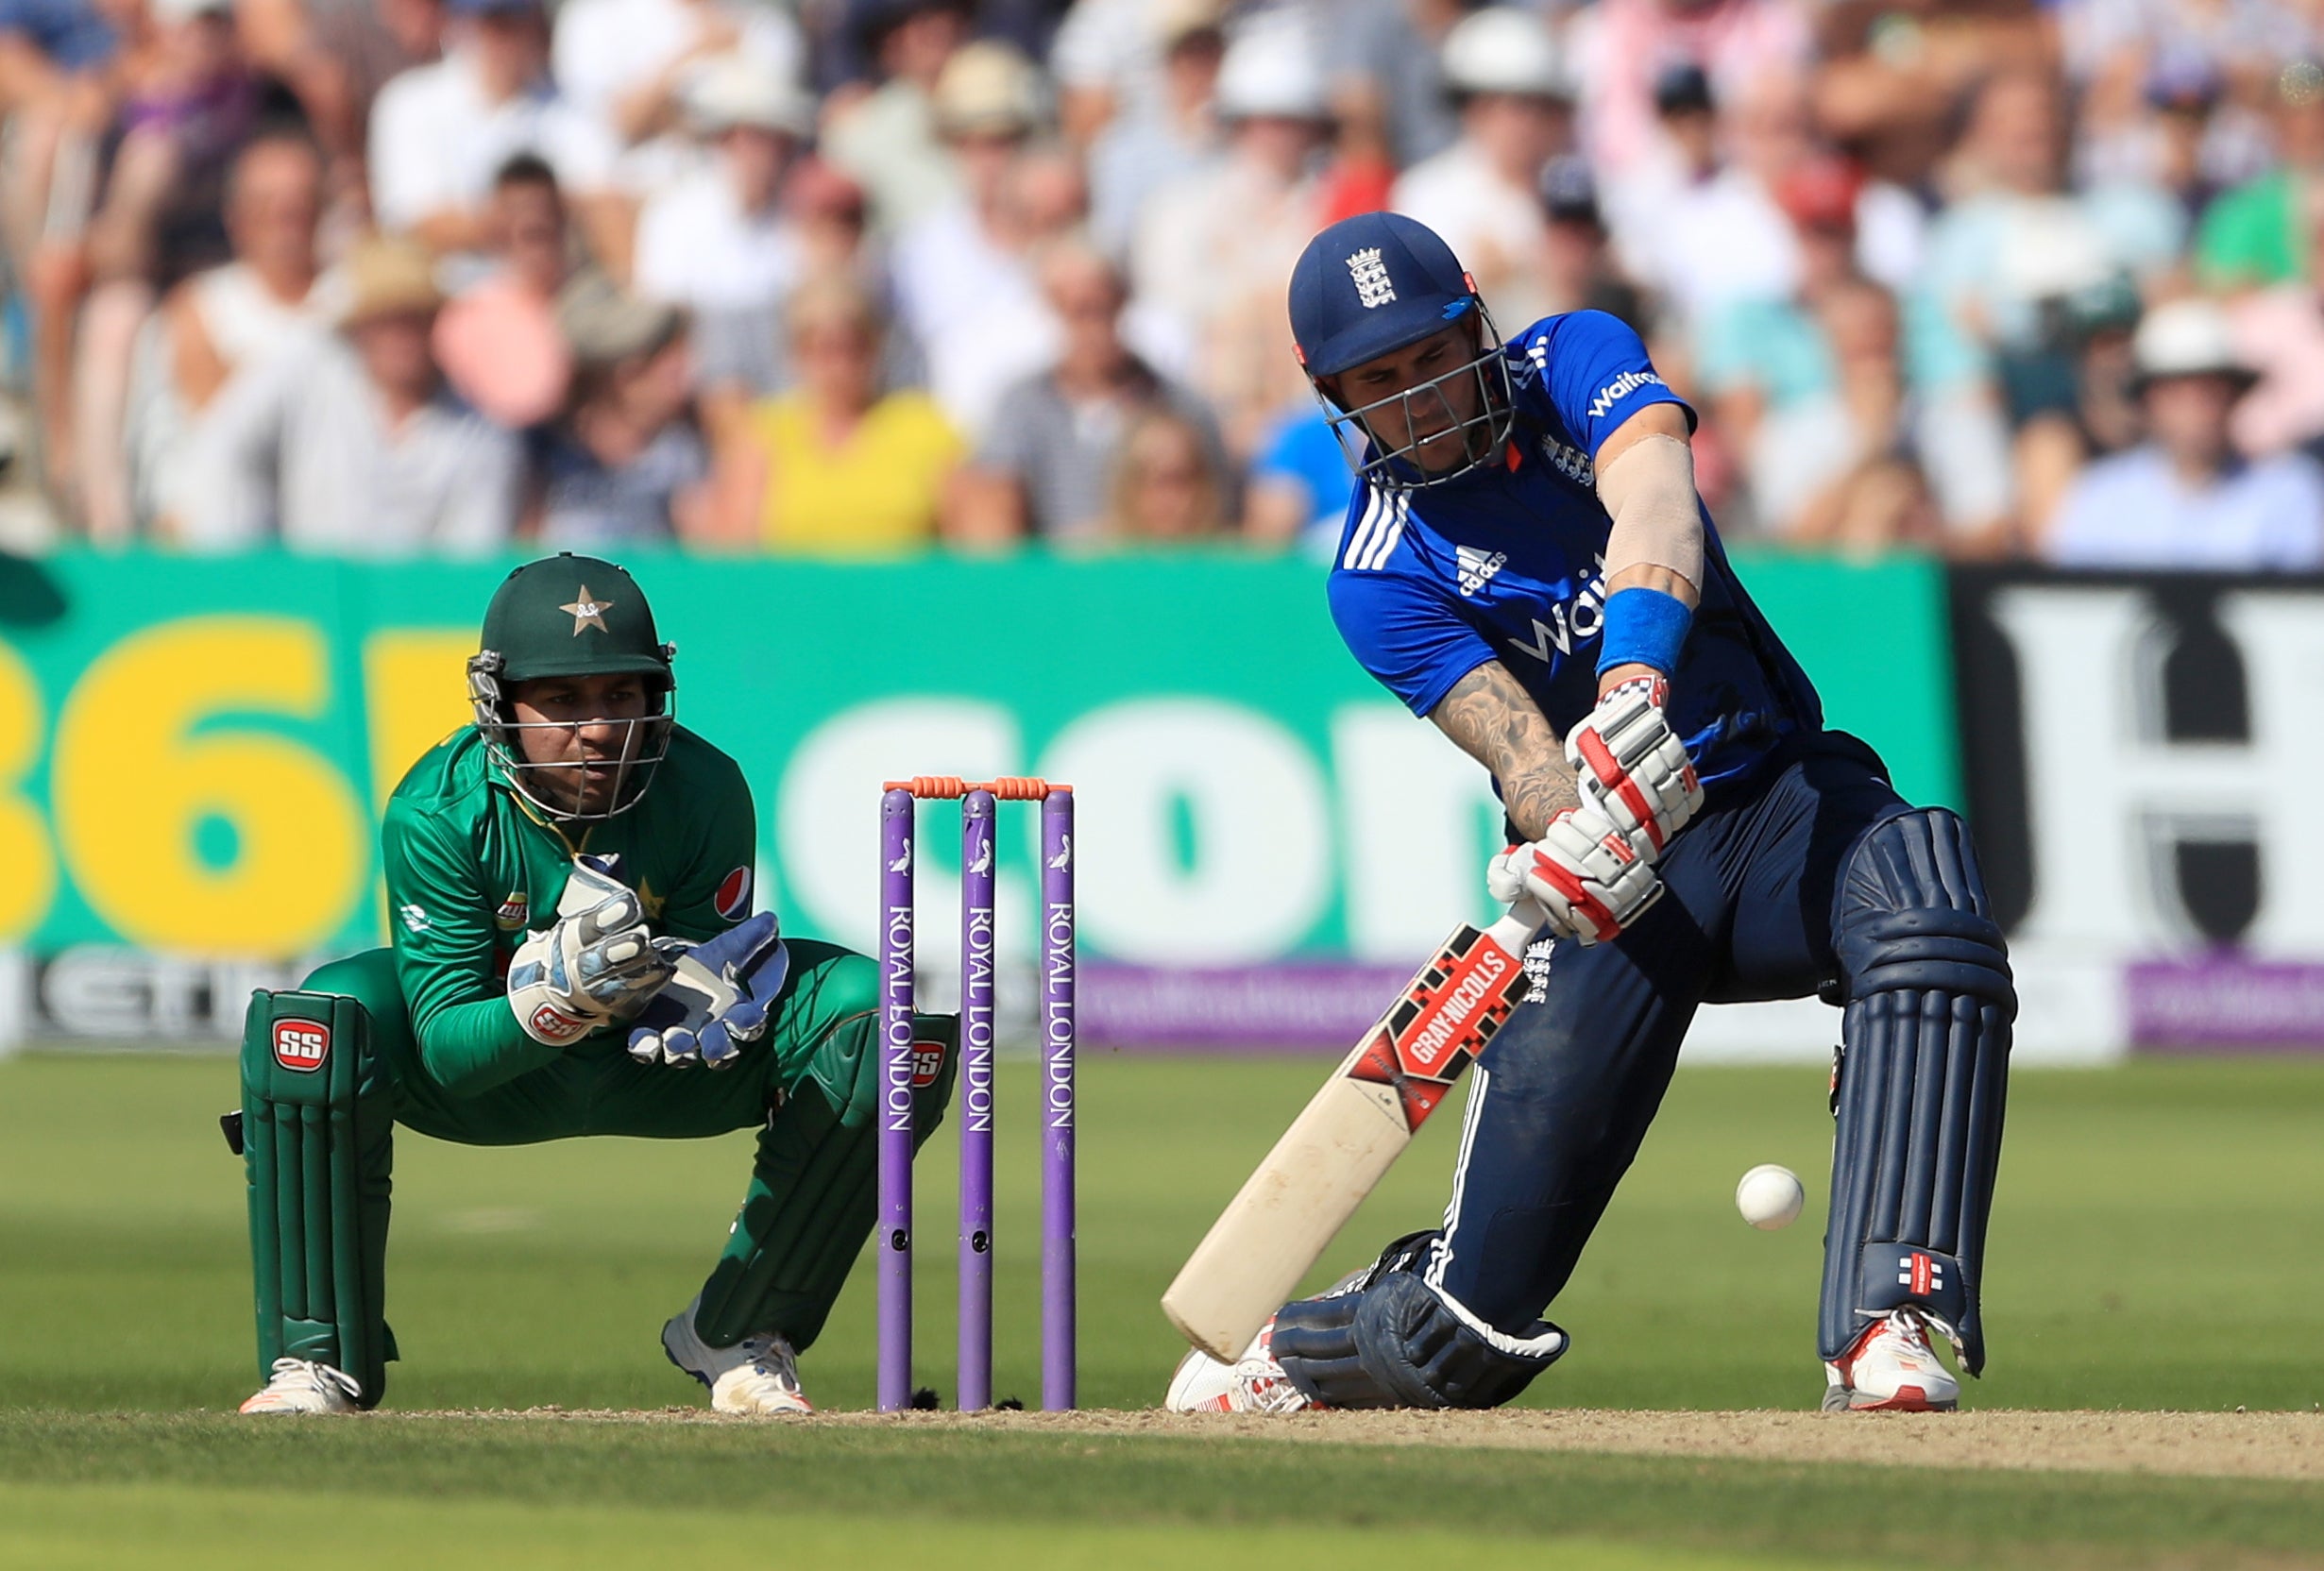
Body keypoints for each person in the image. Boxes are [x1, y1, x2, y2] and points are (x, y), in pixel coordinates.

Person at [1167, 212, 2013, 1416]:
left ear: (1477, 326)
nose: (1417, 399)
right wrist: (1573, 822)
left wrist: (1631, 685)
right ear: (1335, 397)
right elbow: (1510, 745)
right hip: (1614, 892)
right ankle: (1301, 1345)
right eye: (1380, 381)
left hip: (1774, 803)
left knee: (1922, 889)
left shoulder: (1574, 361)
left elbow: (1658, 508)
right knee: (1458, 1342)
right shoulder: (1374, 573)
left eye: (1430, 356)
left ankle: (1889, 1320)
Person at [233, 553, 959, 1417]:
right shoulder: (438, 809)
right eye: (564, 701)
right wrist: (551, 1002)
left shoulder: (703, 787)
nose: (597, 729)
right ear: (498, 704)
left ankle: (740, 1328)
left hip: (655, 1065)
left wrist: (699, 986)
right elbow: (446, 1051)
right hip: (492, 1076)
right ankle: (318, 1360)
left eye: (621, 697)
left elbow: (702, 981)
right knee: (314, 1019)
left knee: (881, 1020)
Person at [168, 234, 520, 553]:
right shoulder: (309, 369)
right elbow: (225, 443)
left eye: (414, 317)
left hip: (413, 618)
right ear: (361, 325)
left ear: (434, 321)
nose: (400, 335)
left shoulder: (482, 433)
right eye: (386, 317)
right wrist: (250, 567)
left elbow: (468, 563)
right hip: (301, 606)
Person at [955, 239, 1222, 544]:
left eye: (1104, 307)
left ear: (1124, 300)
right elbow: (992, 521)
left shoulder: (1181, 407)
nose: (1095, 326)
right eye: (1080, 311)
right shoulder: (1021, 407)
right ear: (1053, 309)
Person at [2045, 297, 2324, 568]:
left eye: (2209, 390)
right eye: (2176, 393)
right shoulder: (2100, 495)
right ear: (2148, 402)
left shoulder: (2290, 489)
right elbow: (2075, 599)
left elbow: (2299, 603)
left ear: (2234, 396)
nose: (2196, 408)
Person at [736, 271, 962, 551]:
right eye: (821, 348)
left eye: (851, 346)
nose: (838, 365)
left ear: (875, 345)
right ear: (796, 353)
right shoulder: (767, 431)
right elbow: (735, 554)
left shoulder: (924, 425)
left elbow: (966, 543)